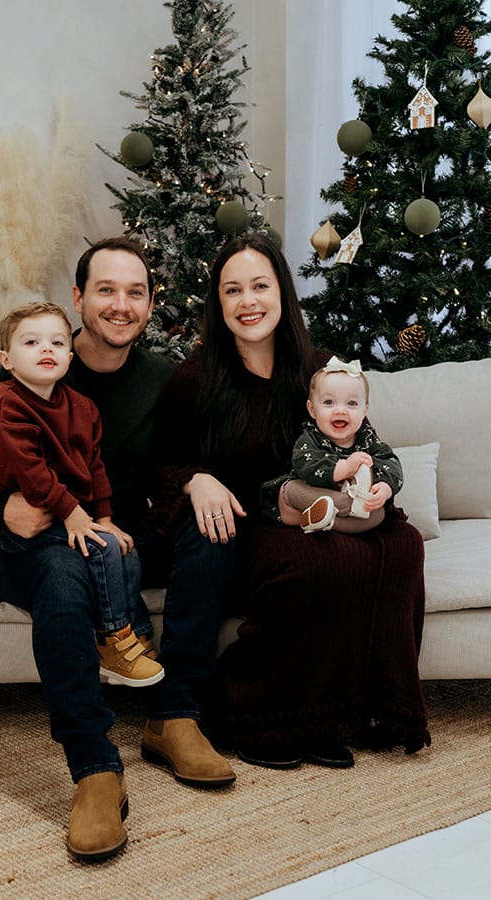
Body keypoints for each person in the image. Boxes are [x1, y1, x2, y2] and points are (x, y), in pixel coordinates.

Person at [0, 237, 236, 865]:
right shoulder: (23, 371)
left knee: (208, 529)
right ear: (79, 298)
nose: (120, 305)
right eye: (105, 290)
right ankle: (95, 768)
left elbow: (182, 458)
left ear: (151, 304)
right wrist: (0, 511)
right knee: (65, 571)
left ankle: (174, 717)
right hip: (35, 546)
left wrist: (198, 476)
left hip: (118, 537)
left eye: (135, 292)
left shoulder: (164, 380)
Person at [150, 233, 430, 773]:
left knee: (402, 545)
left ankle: (346, 712)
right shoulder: (196, 378)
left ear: (282, 291)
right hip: (251, 521)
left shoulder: (320, 368)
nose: (248, 300)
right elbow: (159, 463)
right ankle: (262, 713)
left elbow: (365, 441)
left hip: (328, 506)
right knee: (310, 562)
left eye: (260, 285)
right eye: (233, 290)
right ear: (219, 303)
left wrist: (379, 486)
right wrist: (194, 480)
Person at [0, 300, 163, 688]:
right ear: (5, 359)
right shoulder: (5, 405)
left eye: (57, 343)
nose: (46, 349)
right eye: (31, 342)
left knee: (121, 544)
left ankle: (136, 635)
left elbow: (94, 467)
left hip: (67, 513)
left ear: (70, 357)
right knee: (103, 549)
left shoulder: (82, 408)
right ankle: (113, 638)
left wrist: (105, 517)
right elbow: (31, 473)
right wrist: (75, 514)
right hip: (24, 530)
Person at [272, 355, 404, 535]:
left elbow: (391, 464)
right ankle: (338, 507)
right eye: (328, 402)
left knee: (378, 514)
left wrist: (385, 489)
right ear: (312, 409)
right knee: (290, 489)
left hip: (349, 510)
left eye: (351, 403)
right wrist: (345, 467)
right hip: (311, 497)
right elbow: (304, 463)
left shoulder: (367, 440)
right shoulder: (311, 437)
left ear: (365, 409)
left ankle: (324, 522)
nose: (340, 410)